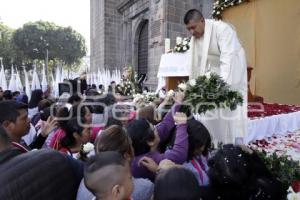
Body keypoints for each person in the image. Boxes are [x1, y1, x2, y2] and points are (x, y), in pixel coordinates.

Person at [184, 9, 247, 144]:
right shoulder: (195, 39)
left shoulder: (223, 30)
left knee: (230, 103)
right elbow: (194, 65)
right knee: (208, 104)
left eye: (193, 27)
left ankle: (232, 140)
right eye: (189, 29)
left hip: (233, 66)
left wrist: (221, 88)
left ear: (202, 21)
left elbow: (228, 59)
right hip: (215, 68)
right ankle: (212, 139)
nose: (191, 32)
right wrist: (195, 86)